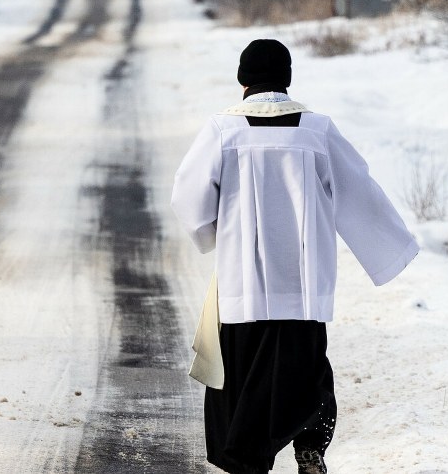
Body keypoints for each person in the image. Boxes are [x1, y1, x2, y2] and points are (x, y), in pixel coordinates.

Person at [172, 39, 420, 474]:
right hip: (304, 286)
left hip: (242, 285)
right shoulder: (317, 130)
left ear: (242, 80)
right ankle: (309, 446)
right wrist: (391, 251)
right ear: (287, 79)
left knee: (243, 379)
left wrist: (215, 233)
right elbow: (358, 191)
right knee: (305, 371)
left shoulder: (222, 131)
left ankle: (248, 460)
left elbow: (188, 200)